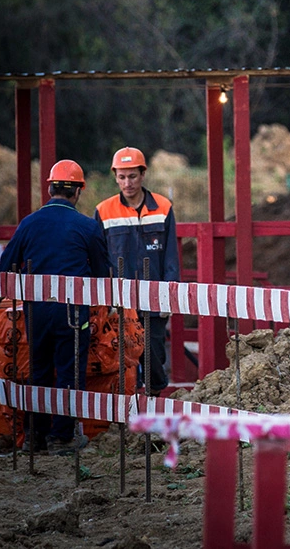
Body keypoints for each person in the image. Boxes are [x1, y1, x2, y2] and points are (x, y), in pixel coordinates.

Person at [0, 160, 110, 454]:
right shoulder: (88, 226)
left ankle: (34, 436)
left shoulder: (29, 223)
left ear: (49, 188)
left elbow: (6, 265)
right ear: (78, 192)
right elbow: (102, 276)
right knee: (70, 371)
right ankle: (62, 437)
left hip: (36, 311)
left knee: (39, 370)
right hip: (72, 313)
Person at [94, 147, 179, 396]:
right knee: (120, 361)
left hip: (154, 300)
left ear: (143, 175)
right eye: (121, 177)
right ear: (115, 176)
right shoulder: (103, 211)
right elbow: (99, 260)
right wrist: (104, 299)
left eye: (132, 176)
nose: (127, 183)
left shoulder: (163, 207)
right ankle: (128, 417)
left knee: (154, 358)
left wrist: (169, 296)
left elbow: (171, 256)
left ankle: (154, 407)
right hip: (121, 304)